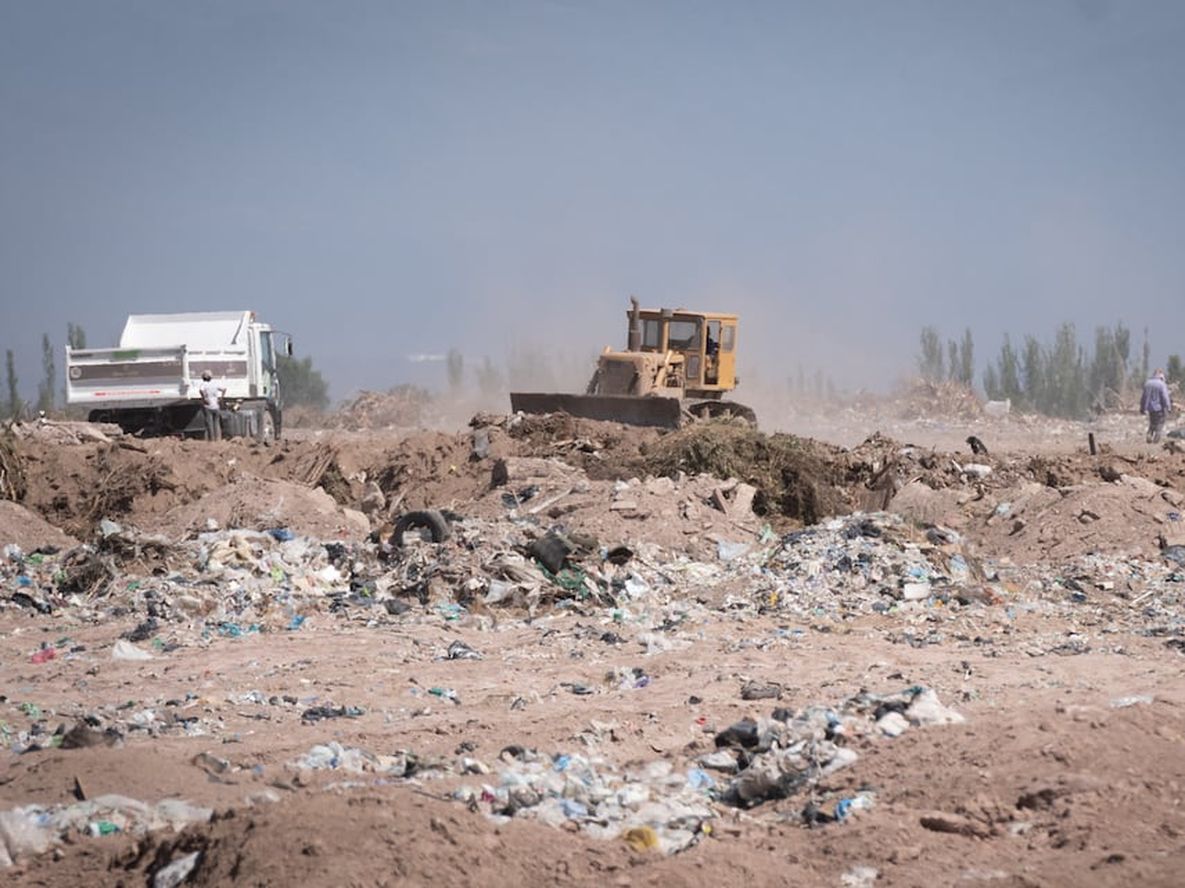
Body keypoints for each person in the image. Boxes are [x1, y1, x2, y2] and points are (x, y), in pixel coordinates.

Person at [1140, 368, 1173, 443]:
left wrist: (1142, 408)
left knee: (1152, 422)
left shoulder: (1147, 383)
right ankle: (1156, 440)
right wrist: (1168, 407)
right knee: (1160, 424)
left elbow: (1143, 397)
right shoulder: (1161, 384)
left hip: (1150, 409)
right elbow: (1165, 397)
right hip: (1160, 408)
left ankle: (1149, 434)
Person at [198, 371, 226, 441]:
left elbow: (201, 390)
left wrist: (204, 398)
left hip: (208, 406)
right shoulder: (215, 384)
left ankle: (211, 440)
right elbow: (224, 389)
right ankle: (218, 439)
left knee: (209, 424)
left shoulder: (204, 384)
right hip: (216, 406)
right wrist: (221, 399)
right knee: (217, 423)